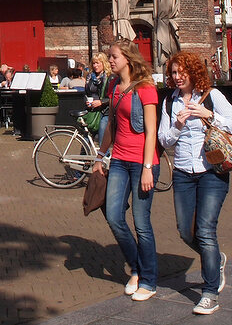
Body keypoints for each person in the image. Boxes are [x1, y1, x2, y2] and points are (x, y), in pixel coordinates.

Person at [158, 51, 232, 315]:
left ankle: (209, 292)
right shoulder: (169, 102)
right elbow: (164, 140)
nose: (176, 77)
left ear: (193, 71)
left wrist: (209, 115)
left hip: (211, 172)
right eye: (173, 73)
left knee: (206, 230)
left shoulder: (212, 95)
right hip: (184, 173)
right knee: (186, 231)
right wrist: (177, 126)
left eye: (181, 72)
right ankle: (216, 259)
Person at [93, 39, 159, 302]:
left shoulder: (145, 88)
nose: (110, 61)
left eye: (114, 57)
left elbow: (151, 130)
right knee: (113, 215)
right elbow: (111, 125)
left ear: (128, 59)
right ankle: (136, 268)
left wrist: (146, 168)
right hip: (119, 159)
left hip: (142, 162)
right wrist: (100, 156)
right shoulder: (114, 87)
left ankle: (149, 280)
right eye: (109, 57)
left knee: (142, 224)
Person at [84, 52, 112, 144]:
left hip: (105, 111)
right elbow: (86, 93)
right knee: (86, 138)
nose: (95, 65)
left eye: (98, 63)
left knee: (102, 140)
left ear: (104, 63)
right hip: (92, 111)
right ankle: (83, 158)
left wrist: (101, 102)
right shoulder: (90, 77)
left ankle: (104, 157)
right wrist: (87, 102)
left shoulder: (109, 77)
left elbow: (112, 96)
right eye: (94, 63)